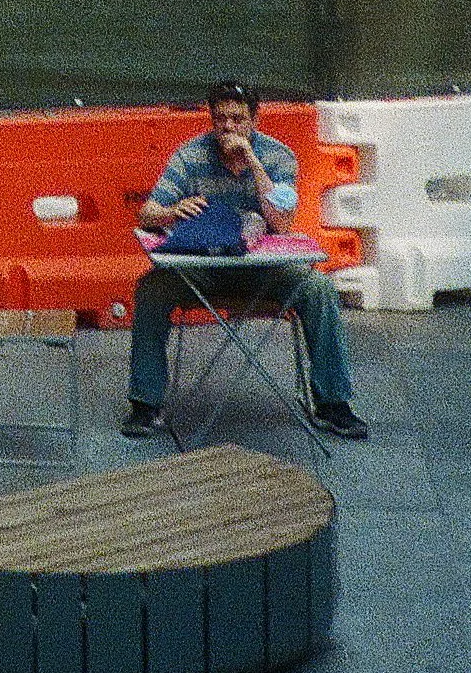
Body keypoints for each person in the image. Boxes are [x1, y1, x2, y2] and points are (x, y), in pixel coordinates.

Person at [121, 77, 368, 442]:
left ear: (254, 120)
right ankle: (145, 403)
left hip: (262, 271)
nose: (228, 127)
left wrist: (251, 161)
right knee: (152, 288)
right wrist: (173, 211)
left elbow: (281, 221)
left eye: (237, 119)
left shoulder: (278, 157)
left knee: (318, 287)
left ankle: (333, 404)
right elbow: (148, 212)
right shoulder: (191, 155)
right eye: (221, 119)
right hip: (204, 267)